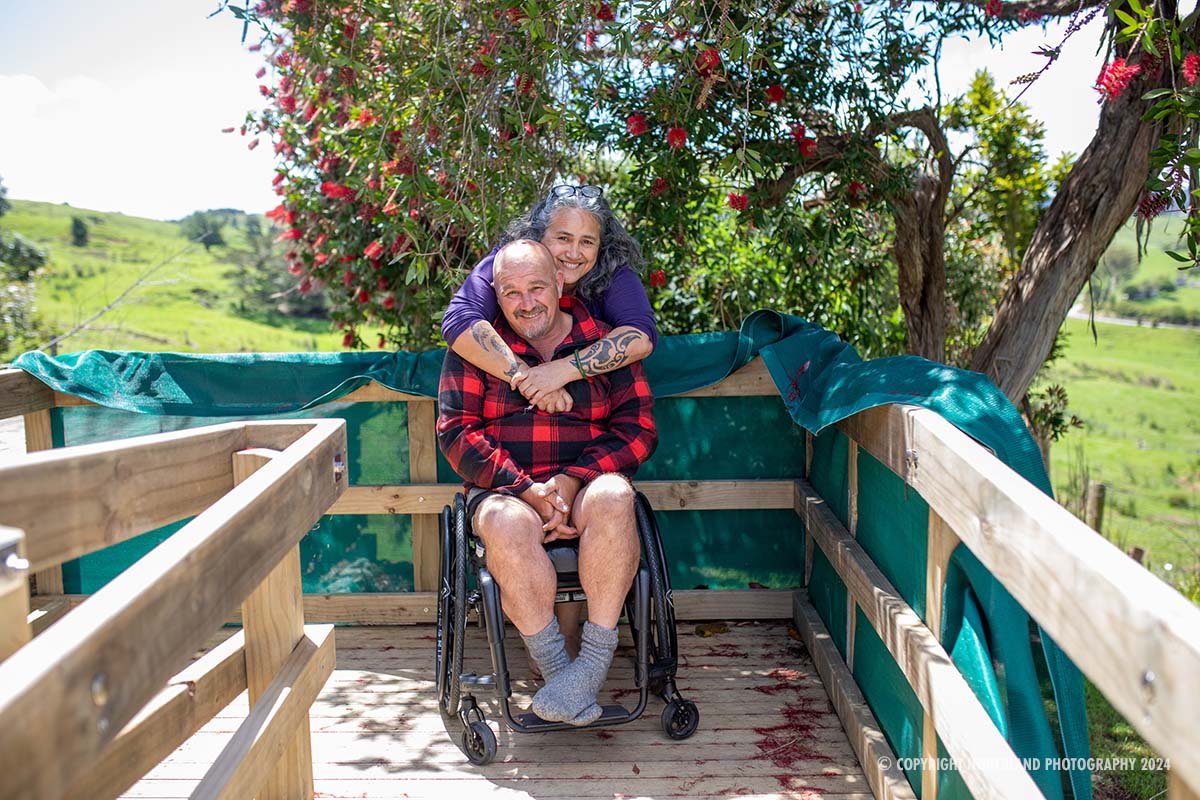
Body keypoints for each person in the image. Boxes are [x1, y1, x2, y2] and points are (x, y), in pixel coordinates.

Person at [437, 239, 657, 725]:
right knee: (503, 521)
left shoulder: (602, 341)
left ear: (560, 281)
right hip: (506, 492)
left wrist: (574, 480)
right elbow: (455, 434)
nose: (526, 301)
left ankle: (591, 665)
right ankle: (561, 673)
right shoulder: (478, 348)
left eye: (537, 286)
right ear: (496, 295)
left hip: (584, 486)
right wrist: (525, 490)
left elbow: (638, 429)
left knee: (617, 494)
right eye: (511, 292)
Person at [441, 185, 657, 415]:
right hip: (508, 406)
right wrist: (528, 379)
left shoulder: (613, 270)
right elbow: (457, 321)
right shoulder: (511, 260)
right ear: (537, 235)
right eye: (563, 238)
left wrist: (561, 371)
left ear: (600, 246)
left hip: (592, 407)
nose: (573, 253)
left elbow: (640, 336)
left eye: (587, 242)